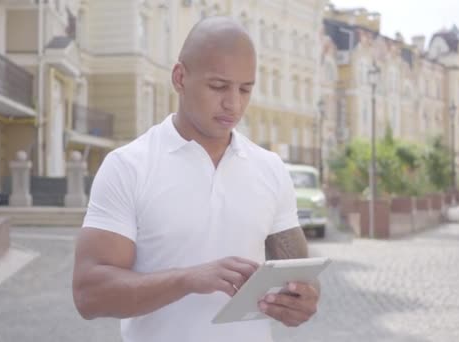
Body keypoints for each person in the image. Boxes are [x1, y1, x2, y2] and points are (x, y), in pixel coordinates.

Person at [72, 16, 321, 342]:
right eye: (218, 86)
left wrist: (301, 300)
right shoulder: (128, 166)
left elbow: (300, 278)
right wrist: (188, 279)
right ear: (180, 78)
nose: (233, 103)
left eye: (245, 89)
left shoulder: (270, 168)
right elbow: (89, 294)